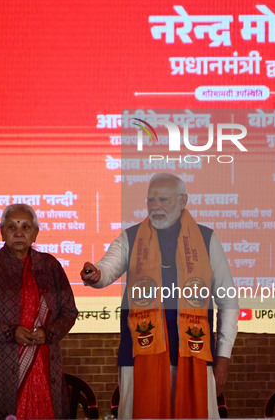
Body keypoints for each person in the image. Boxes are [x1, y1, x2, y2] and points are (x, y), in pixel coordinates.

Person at [81, 173, 239, 419]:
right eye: (151, 200)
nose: (156, 207)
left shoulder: (207, 239)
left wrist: (223, 358)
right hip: (140, 356)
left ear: (183, 200)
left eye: (164, 200)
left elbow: (228, 301)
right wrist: (96, 274)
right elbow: (107, 268)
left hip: (195, 355)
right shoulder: (130, 238)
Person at [0, 204, 78, 420]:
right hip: (1, 365)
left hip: (44, 361)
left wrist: (49, 333)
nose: (19, 233)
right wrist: (10, 332)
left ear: (35, 233)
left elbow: (69, 311)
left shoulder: (50, 265)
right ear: (2, 232)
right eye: (11, 227)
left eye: (26, 227)